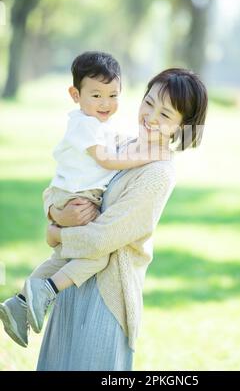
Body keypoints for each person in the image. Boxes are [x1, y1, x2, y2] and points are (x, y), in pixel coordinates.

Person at [0, 51, 168, 347]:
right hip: (75, 196)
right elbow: (105, 160)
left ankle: (21, 301)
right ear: (75, 94)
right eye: (96, 95)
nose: (106, 104)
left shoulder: (102, 127)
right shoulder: (85, 125)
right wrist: (56, 220)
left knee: (61, 257)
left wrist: (56, 230)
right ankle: (47, 290)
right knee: (97, 256)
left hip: (73, 196)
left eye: (113, 95)